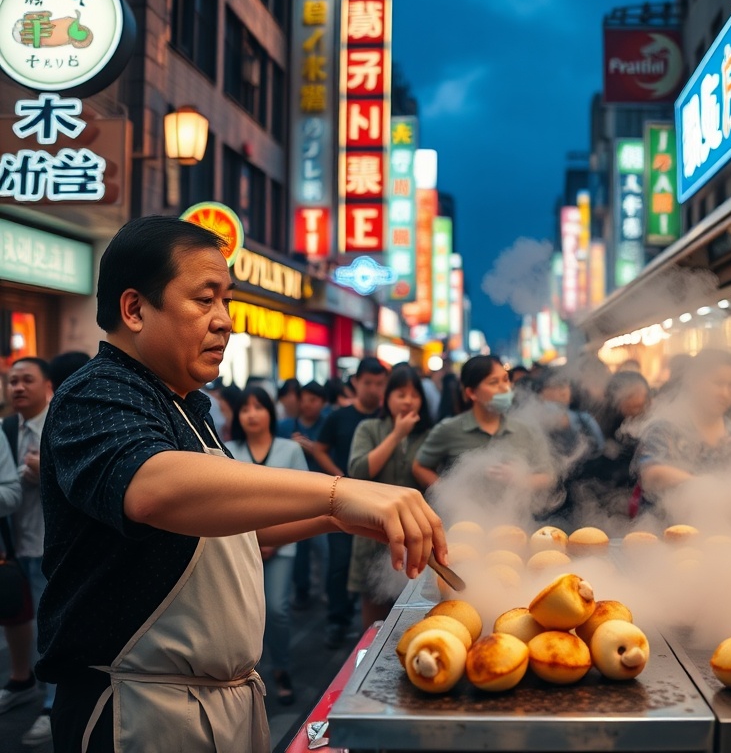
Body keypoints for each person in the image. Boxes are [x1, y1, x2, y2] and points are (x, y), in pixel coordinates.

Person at [36, 216, 445, 753]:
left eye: (226, 302)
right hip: (138, 709)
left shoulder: (186, 405)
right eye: (205, 300)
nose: (225, 321)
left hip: (217, 703)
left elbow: (221, 531)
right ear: (134, 309)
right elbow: (154, 487)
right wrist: (337, 491)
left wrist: (340, 516)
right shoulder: (96, 392)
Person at [224, 387, 306, 706]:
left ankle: (282, 668)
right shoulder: (227, 450)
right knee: (239, 612)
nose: (252, 414)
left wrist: (275, 539)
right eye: (245, 409)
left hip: (281, 545)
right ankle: (242, 674)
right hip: (238, 545)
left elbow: (302, 500)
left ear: (271, 413)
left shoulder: (290, 450)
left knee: (277, 609)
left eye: (259, 407)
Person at [347, 364, 434, 631]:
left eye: (414, 394)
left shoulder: (431, 434)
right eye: (400, 394)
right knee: (373, 619)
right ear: (387, 398)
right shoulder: (370, 428)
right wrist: (397, 435)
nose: (408, 400)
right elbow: (358, 470)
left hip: (415, 534)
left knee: (416, 614)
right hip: (372, 533)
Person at [314, 357, 389, 648]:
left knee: (373, 567)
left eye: (379, 383)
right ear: (355, 382)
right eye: (368, 382)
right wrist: (340, 479)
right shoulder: (339, 417)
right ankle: (338, 620)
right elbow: (320, 450)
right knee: (339, 564)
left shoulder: (386, 419)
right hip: (341, 503)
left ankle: (371, 625)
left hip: (376, 506)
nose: (373, 389)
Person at [1, 357, 55, 746]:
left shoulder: (60, 421)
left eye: (27, 380)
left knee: (51, 629)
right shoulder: (7, 428)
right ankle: (25, 684)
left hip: (53, 546)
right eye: (12, 381)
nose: (18, 387)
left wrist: (46, 472)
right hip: (17, 545)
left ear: (47, 385)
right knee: (25, 623)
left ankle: (54, 705)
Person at [412, 355, 555, 503]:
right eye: (493, 382)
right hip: (464, 520)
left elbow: (548, 476)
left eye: (506, 380)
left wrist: (522, 479)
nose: (504, 388)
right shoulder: (448, 429)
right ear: (471, 393)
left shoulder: (526, 430)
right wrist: (448, 492)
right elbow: (419, 467)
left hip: (516, 521)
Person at [635, 349, 731, 509]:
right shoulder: (665, 428)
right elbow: (652, 475)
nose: (725, 393)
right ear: (693, 381)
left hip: (720, 530)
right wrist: (707, 486)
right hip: (663, 528)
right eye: (718, 383)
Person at [562, 370, 650, 530]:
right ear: (614, 399)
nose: (639, 408)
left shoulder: (652, 426)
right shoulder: (597, 427)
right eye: (631, 399)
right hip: (600, 507)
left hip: (637, 509)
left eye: (642, 404)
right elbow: (583, 478)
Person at [277, 381, 331, 610]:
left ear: (323, 403)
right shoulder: (284, 426)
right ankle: (302, 590)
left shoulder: (328, 425)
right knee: (298, 548)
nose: (307, 404)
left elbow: (333, 460)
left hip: (323, 497)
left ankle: (327, 591)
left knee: (324, 547)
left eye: (314, 400)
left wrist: (313, 449)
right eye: (304, 399)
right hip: (293, 497)